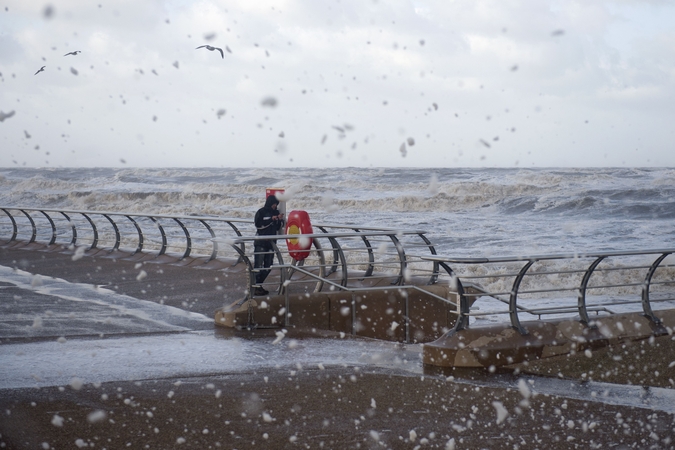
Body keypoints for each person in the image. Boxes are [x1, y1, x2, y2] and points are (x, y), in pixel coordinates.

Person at [253, 195, 284, 296]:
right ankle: (255, 286)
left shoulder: (276, 212)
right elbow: (258, 224)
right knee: (258, 265)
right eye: (274, 204)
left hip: (271, 243)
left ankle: (257, 284)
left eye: (276, 204)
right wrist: (271, 219)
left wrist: (279, 219)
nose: (275, 206)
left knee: (268, 265)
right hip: (260, 242)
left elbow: (278, 227)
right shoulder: (261, 211)